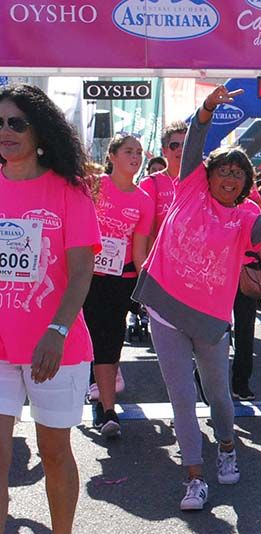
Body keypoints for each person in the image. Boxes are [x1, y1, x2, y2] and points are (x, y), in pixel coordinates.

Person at [133, 86, 261, 512]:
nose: (229, 179)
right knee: (181, 398)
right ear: (206, 175)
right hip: (164, 307)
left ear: (246, 183)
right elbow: (196, 139)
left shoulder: (247, 214)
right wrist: (209, 107)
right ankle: (194, 476)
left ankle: (226, 445)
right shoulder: (189, 187)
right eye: (223, 171)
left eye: (238, 174)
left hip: (210, 319)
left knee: (218, 396)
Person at [0, 83, 101, 534]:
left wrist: (57, 331)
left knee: (54, 452)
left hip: (53, 348)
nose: (6, 133)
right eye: (0, 124)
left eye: (17, 123)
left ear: (39, 131)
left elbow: (82, 272)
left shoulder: (68, 191)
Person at [82, 134, 154, 437]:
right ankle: (85, 395)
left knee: (109, 344)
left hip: (119, 280)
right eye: (128, 151)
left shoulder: (144, 200)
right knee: (83, 342)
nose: (135, 157)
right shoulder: (93, 184)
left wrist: (146, 289)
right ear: (112, 156)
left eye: (139, 152)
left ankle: (108, 411)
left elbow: (139, 251)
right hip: (83, 277)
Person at [231, 202, 261, 401]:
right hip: (216, 274)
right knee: (213, 332)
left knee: (245, 330)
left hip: (246, 275)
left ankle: (241, 382)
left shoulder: (251, 208)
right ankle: (204, 380)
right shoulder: (209, 202)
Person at [139, 120, 186, 239]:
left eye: (185, 144)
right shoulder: (150, 183)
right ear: (165, 151)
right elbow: (146, 232)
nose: (180, 149)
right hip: (161, 254)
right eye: (174, 145)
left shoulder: (201, 181)